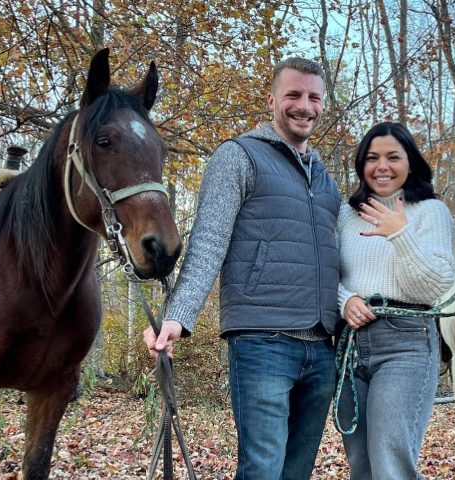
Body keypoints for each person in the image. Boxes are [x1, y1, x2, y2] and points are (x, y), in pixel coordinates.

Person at [143, 58, 341, 479]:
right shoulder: (238, 156)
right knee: (263, 469)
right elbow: (209, 241)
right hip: (263, 340)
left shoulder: (325, 180)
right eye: (293, 95)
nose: (304, 106)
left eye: (313, 97)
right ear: (272, 100)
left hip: (323, 346)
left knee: (297, 472)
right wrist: (178, 316)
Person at [335, 122, 455, 479]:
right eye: (372, 158)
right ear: (361, 164)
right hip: (349, 349)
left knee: (391, 465)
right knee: (363, 467)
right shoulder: (345, 215)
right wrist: (344, 300)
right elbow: (327, 275)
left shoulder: (431, 211)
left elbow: (435, 288)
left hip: (405, 342)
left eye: (393, 157)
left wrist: (400, 235)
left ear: (410, 162)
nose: (382, 166)